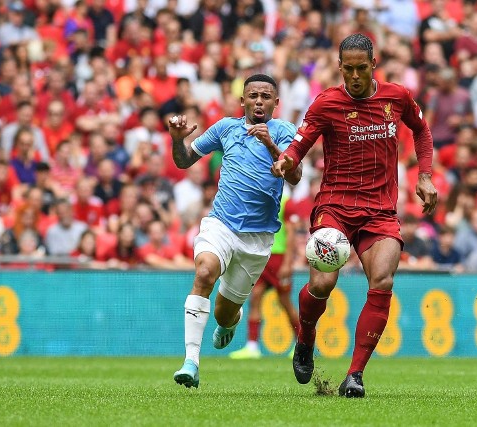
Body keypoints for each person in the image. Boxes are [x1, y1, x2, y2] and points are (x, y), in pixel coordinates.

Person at [271, 34, 437, 398]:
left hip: (379, 212)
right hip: (335, 208)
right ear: (340, 67)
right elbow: (299, 145)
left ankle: (355, 375)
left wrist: (424, 176)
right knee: (322, 286)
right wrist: (287, 160)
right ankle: (305, 336)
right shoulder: (327, 103)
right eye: (349, 69)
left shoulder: (397, 97)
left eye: (362, 68)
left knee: (383, 282)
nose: (356, 76)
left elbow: (422, 130)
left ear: (373, 64)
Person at [169, 74, 302, 388]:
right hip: (221, 225)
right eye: (252, 95)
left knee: (224, 314)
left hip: (257, 240)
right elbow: (184, 161)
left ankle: (232, 321)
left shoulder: (286, 133)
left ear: (276, 103)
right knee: (204, 273)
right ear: (243, 101)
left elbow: (294, 176)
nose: (258, 101)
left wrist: (269, 144)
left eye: (265, 96)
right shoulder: (225, 127)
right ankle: (191, 362)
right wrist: (177, 139)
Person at [229, 193, 299, 359]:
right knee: (255, 297)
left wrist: (288, 262)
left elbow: (291, 234)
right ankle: (252, 346)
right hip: (261, 255)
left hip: (278, 257)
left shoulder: (286, 202)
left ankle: (301, 344)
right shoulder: (259, 195)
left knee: (285, 301)